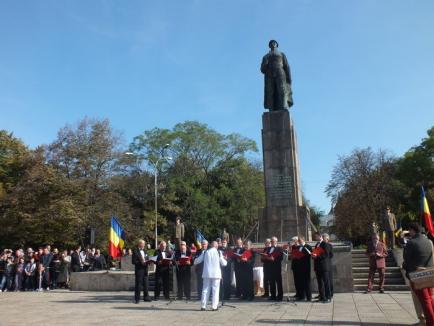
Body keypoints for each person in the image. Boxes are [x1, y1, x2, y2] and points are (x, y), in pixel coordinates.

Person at [403, 223, 434, 326]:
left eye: (409, 231)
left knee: (425, 301)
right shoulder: (428, 241)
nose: (409, 233)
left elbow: (406, 260)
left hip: (417, 275)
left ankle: (431, 322)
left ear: (412, 230)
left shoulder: (411, 243)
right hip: (429, 272)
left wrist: (408, 274)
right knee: (430, 298)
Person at [260, 39, 293, 111]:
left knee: (282, 89)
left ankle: (284, 106)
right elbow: (262, 70)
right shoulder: (266, 56)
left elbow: (287, 66)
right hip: (269, 74)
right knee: (270, 92)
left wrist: (289, 77)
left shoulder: (281, 54)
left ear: (277, 45)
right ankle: (271, 108)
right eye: (271, 43)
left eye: (274, 42)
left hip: (280, 72)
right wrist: (265, 64)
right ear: (269, 46)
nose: (273, 44)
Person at [194, 240, 227, 311]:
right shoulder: (219, 252)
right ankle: (214, 306)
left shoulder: (206, 252)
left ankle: (203, 306)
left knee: (205, 290)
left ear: (211, 245)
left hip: (207, 274)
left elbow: (197, 261)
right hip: (216, 274)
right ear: (216, 246)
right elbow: (224, 263)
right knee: (215, 290)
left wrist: (194, 260)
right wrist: (226, 260)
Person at [312, 233, 333, 303]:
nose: (315, 238)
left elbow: (326, 255)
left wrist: (317, 256)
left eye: (316, 236)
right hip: (317, 266)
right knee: (320, 283)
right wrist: (313, 255)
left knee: (326, 282)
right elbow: (315, 253)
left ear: (320, 236)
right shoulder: (317, 244)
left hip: (324, 266)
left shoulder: (325, 244)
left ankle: (328, 297)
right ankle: (322, 297)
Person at [292, 236, 312, 301]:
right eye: (298, 241)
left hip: (305, 267)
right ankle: (301, 296)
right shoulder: (297, 247)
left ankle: (309, 297)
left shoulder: (308, 246)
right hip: (298, 267)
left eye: (300, 240)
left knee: (307, 282)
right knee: (300, 282)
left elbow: (310, 255)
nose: (299, 242)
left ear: (303, 240)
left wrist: (301, 256)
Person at [268, 236, 283, 301]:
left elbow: (281, 258)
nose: (272, 242)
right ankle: (273, 296)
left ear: (276, 241)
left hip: (277, 267)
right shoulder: (269, 248)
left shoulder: (279, 248)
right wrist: (267, 258)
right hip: (270, 268)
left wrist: (274, 259)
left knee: (279, 282)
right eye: (271, 241)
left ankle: (280, 296)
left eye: (273, 241)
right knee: (271, 283)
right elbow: (266, 255)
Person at [323, 233, 335, 298]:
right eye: (323, 237)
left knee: (329, 280)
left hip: (328, 264)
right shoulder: (322, 245)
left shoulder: (329, 245)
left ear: (327, 238)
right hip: (325, 264)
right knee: (326, 280)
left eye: (324, 237)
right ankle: (326, 293)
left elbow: (331, 255)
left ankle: (331, 293)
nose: (323, 238)